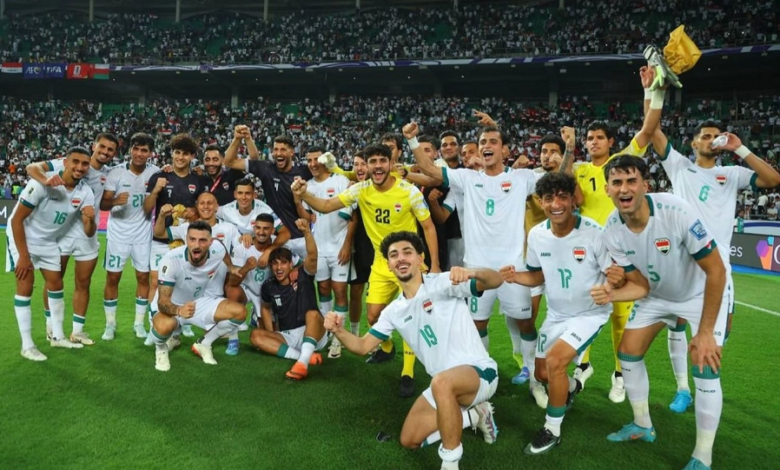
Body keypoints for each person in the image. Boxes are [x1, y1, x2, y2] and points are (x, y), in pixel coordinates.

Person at [642, 79, 780, 414]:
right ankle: (682, 390)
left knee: (716, 340)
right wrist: (651, 91)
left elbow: (773, 180)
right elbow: (652, 130)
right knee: (676, 326)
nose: (711, 139)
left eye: (716, 136)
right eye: (705, 135)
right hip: (680, 265)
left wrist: (740, 148)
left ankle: (705, 388)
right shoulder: (680, 166)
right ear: (693, 142)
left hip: (717, 270)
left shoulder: (732, 173)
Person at [324, 231, 502, 470]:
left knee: (441, 382)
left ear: (420, 259)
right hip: (443, 387)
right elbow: (363, 346)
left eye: (407, 252)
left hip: (480, 373)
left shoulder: (443, 283)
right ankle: (476, 416)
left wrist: (472, 273)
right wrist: (338, 330)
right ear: (389, 265)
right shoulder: (393, 311)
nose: (400, 258)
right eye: (393, 255)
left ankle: (450, 463)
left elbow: (495, 280)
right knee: (409, 440)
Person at [592, 155, 727, 470]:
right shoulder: (612, 230)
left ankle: (702, 456)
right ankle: (643, 425)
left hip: (701, 291)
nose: (624, 189)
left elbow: (717, 270)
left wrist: (706, 332)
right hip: (657, 294)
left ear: (645, 185)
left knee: (705, 363)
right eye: (616, 182)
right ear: (608, 190)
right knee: (628, 353)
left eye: (631, 181)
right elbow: (640, 286)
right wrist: (612, 294)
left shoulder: (676, 211)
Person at [500, 172, 647, 455]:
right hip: (556, 314)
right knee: (542, 373)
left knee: (555, 362)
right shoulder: (537, 234)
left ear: (572, 201)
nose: (556, 204)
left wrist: (614, 282)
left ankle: (552, 430)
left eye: (562, 197)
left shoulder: (595, 233)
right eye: (549, 198)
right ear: (541, 202)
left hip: (588, 314)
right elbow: (537, 276)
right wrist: (516, 277)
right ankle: (573, 385)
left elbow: (615, 276)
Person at [406, 121, 548, 408]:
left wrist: (568, 150)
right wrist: (411, 140)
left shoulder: (522, 177)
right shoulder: (466, 178)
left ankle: (535, 379)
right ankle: (483, 377)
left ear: (505, 150)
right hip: (476, 269)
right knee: (477, 324)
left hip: (513, 269)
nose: (486, 146)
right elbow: (431, 170)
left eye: (493, 141)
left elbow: (557, 178)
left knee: (525, 322)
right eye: (483, 142)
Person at [292, 143, 440, 398]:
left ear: (391, 163)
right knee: (373, 317)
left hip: (409, 262)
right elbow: (326, 206)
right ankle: (387, 346)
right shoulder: (361, 190)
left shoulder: (409, 191)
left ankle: (407, 373)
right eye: (373, 161)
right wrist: (304, 194)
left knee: (411, 316)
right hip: (382, 264)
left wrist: (434, 265)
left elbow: (428, 226)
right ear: (368, 166)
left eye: (383, 161)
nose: (378, 166)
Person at [568, 112, 649, 402]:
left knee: (620, 318)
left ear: (611, 141)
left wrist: (652, 95)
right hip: (588, 253)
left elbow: (646, 132)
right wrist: (568, 148)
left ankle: (619, 374)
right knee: (584, 310)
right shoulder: (578, 169)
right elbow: (573, 197)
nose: (593, 142)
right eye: (589, 138)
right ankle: (583, 366)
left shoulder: (620, 165)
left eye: (600, 137)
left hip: (620, 253)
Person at [25, 133, 119, 345]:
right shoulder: (69, 162)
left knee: (83, 283)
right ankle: (51, 327)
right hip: (61, 233)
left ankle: (78, 331)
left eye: (110, 150)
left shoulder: (109, 173)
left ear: (114, 153)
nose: (105, 152)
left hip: (87, 234)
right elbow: (32, 167)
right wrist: (46, 180)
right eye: (102, 147)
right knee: (54, 282)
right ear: (94, 146)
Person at [8, 147, 96, 361]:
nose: (80, 167)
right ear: (65, 162)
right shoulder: (42, 183)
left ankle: (57, 337)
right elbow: (16, 220)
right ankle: (27, 345)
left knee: (56, 285)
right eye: (75, 162)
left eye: (85, 164)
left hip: (48, 241)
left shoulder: (85, 192)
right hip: (24, 236)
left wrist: (90, 219)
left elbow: (89, 232)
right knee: (25, 286)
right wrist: (24, 256)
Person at [150, 220, 247, 372]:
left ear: (210, 242)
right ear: (186, 239)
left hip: (198, 301)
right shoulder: (171, 261)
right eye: (192, 239)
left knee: (240, 312)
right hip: (172, 306)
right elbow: (163, 303)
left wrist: (231, 266)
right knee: (163, 327)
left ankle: (204, 343)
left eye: (202, 240)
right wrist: (179, 310)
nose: (196, 245)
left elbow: (222, 249)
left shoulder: (217, 248)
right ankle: (161, 349)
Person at [145, 134, 210, 339]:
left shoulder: (199, 179)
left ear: (192, 156)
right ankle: (154, 326)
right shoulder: (159, 177)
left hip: (186, 241)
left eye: (186, 154)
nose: (181, 157)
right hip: (161, 238)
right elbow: (146, 208)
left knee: (185, 283)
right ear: (172, 153)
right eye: (177, 152)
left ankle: (184, 323)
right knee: (155, 282)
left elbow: (204, 208)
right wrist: (156, 191)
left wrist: (195, 211)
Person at [295, 146, 354, 359]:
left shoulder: (340, 181)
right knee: (323, 289)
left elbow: (353, 218)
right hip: (319, 247)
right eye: (309, 160)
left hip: (339, 247)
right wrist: (297, 199)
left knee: (340, 291)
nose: (312, 164)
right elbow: (307, 216)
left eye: (316, 159)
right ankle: (328, 332)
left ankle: (339, 337)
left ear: (325, 160)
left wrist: (347, 245)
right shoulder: (308, 186)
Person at [250, 219, 328, 380]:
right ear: (271, 266)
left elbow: (313, 256)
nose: (279, 268)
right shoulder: (268, 286)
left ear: (291, 264)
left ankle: (302, 365)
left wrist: (307, 232)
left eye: (283, 263)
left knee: (313, 314)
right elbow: (265, 308)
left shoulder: (303, 275)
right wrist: (271, 333)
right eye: (275, 264)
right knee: (255, 336)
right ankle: (303, 356)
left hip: (313, 331)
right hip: (288, 336)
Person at [100, 133, 160, 341]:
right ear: (130, 150)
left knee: (143, 278)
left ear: (150, 153)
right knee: (112, 278)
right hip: (118, 235)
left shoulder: (155, 173)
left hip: (143, 235)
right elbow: (103, 204)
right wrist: (115, 201)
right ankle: (110, 324)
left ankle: (138, 323)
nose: (139, 154)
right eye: (136, 149)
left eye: (144, 150)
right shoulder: (116, 173)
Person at [224, 129, 312, 259]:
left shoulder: (304, 171)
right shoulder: (266, 169)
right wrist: (237, 139)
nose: (278, 153)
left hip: (301, 238)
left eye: (283, 150)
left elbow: (327, 173)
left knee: (307, 271)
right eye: (275, 149)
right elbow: (229, 162)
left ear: (292, 152)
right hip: (277, 239)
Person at [226, 213, 280, 334]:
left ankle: (255, 316)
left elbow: (297, 263)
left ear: (272, 230)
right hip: (247, 290)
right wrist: (246, 267)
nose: (261, 232)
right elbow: (232, 282)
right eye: (258, 228)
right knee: (232, 290)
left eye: (266, 228)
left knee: (269, 333)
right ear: (254, 228)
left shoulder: (279, 246)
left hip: (267, 293)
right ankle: (233, 335)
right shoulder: (242, 248)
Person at [202, 141, 255, 205]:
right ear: (203, 161)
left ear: (223, 160)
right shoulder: (200, 179)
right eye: (207, 160)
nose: (211, 163)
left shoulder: (232, 174)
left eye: (215, 159)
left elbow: (253, 161)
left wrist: (247, 138)